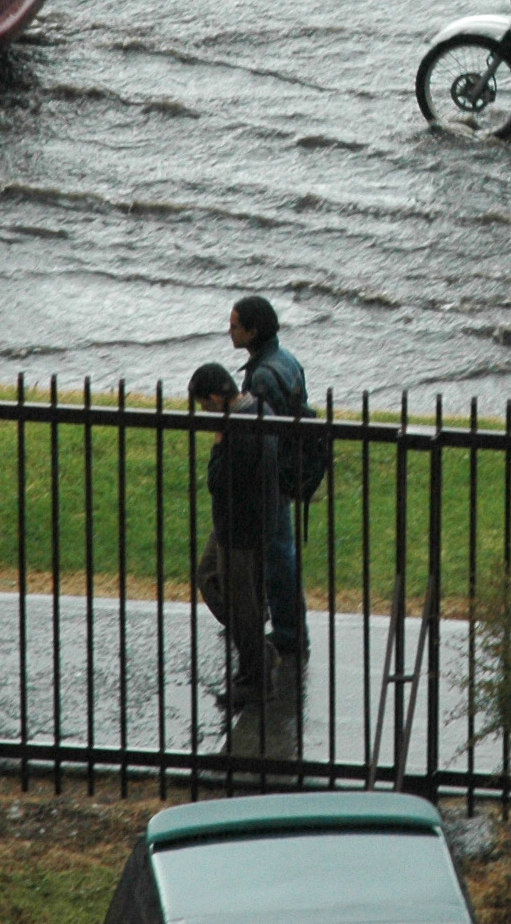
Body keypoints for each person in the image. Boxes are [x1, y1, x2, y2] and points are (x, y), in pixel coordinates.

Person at [188, 361, 279, 712]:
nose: (203, 413)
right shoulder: (259, 408)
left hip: (241, 526)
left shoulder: (237, 430)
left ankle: (255, 679)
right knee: (210, 577)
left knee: (242, 602)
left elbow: (217, 481)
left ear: (215, 398)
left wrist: (218, 443)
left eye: (203, 405)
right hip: (239, 522)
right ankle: (257, 650)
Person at [231, 294, 310, 657]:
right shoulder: (287, 360)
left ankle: (288, 632)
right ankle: (286, 624)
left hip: (272, 477)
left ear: (253, 331)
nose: (229, 331)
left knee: (277, 555)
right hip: (289, 472)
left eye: (235, 326)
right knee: (284, 552)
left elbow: (265, 435)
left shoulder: (262, 376)